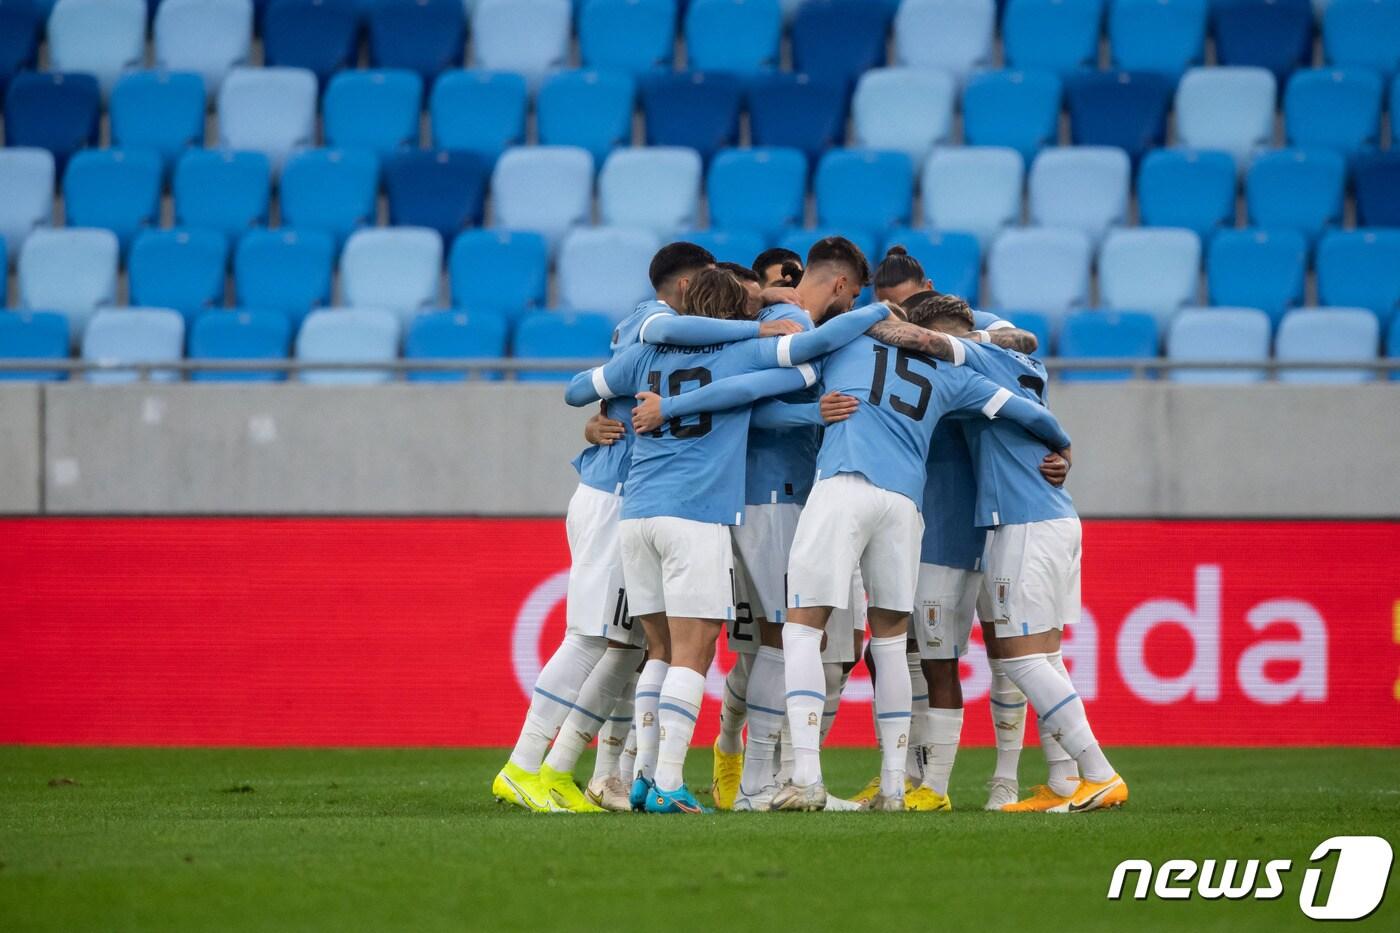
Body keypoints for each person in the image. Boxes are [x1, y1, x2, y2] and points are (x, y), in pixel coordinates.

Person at [564, 269, 892, 813]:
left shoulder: (646, 353)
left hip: (637, 514)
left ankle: (642, 776)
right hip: (695, 516)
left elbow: (577, 389)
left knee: (659, 653)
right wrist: (877, 312)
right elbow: (807, 354)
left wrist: (604, 417)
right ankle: (669, 781)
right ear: (736, 315)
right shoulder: (743, 353)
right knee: (694, 655)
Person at [493, 243, 798, 813]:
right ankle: (530, 765)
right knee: (599, 639)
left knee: (633, 645)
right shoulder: (651, 321)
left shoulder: (656, 347)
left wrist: (605, 409)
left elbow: (580, 388)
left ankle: (596, 772)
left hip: (628, 498)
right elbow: (666, 344)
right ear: (686, 289)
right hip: (621, 495)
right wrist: (758, 331)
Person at [770, 312, 1075, 812]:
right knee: (891, 643)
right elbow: (1022, 408)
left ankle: (805, 776)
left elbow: (768, 390)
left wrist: (809, 411)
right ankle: (894, 787)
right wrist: (1060, 443)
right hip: (905, 503)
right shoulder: (952, 373)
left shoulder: (844, 343)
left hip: (845, 482)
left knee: (802, 628)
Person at [925, 304, 1128, 814]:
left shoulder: (975, 355)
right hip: (1052, 516)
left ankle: (1100, 773)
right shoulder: (1020, 363)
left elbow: (934, 342)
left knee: (1019, 656)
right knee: (1048, 655)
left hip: (1025, 521)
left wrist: (881, 323)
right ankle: (1064, 781)